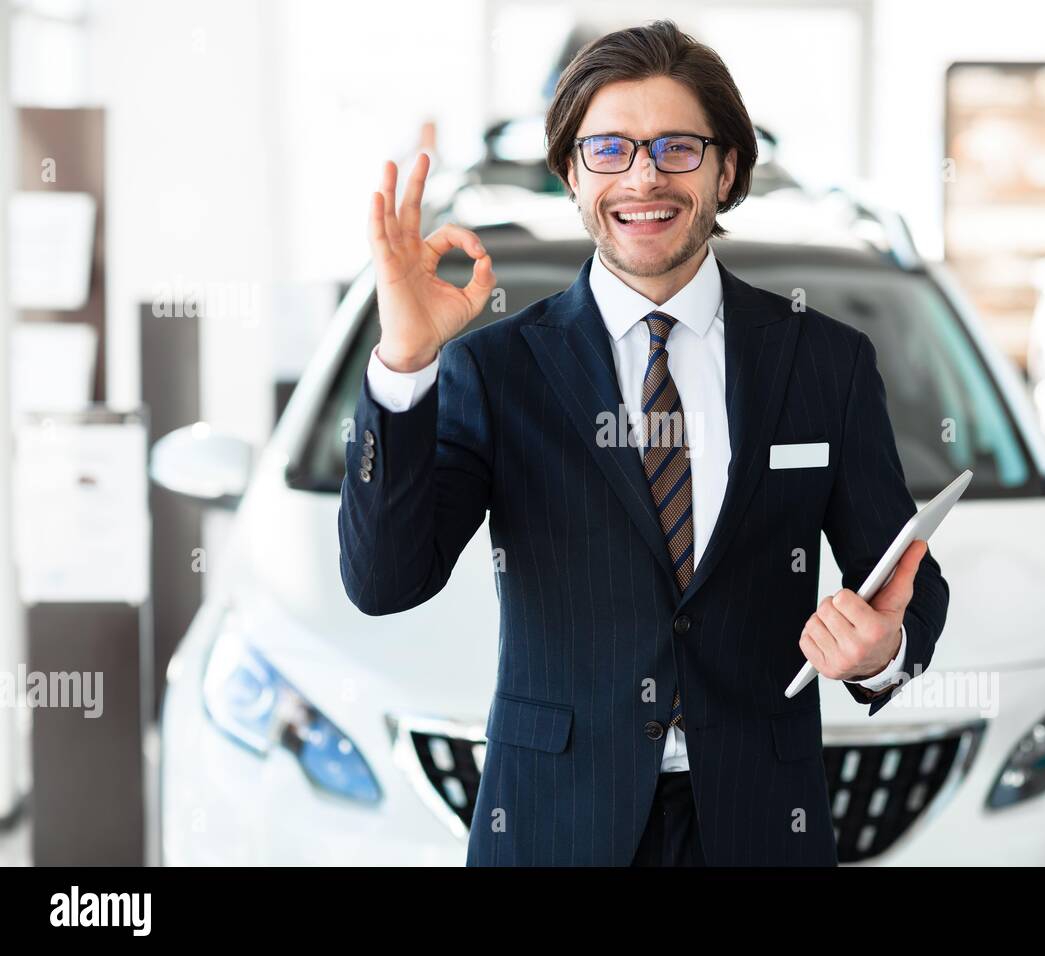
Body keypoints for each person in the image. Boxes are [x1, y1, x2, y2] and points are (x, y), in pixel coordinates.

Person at [338, 19, 949, 867]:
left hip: (760, 823)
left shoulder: (824, 362)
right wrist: (405, 362)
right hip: (556, 823)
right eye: (610, 150)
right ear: (571, 175)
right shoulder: (499, 367)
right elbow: (383, 580)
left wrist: (885, 654)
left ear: (727, 168)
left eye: (676, 148)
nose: (644, 178)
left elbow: (907, 581)